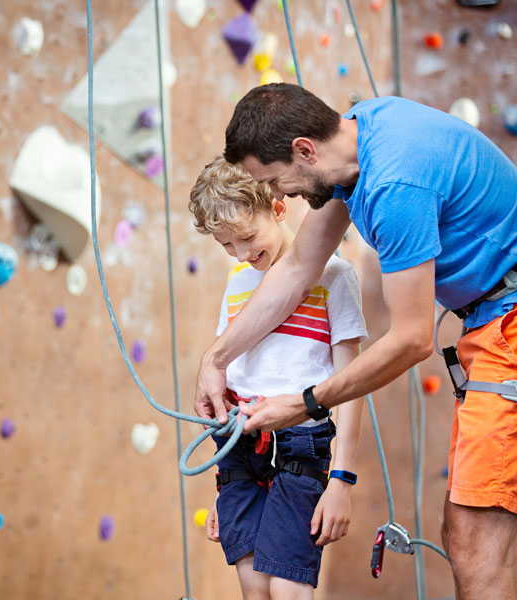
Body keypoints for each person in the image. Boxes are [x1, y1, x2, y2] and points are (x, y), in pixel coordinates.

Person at [194, 83, 517, 600]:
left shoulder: (394, 184)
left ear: (304, 150)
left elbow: (410, 339)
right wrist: (216, 358)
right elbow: (296, 268)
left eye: (276, 181)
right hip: (510, 309)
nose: (283, 196)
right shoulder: (361, 133)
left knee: (473, 543)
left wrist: (307, 403)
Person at [190, 157, 367, 599]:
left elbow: (351, 386)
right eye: (226, 245)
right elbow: (231, 381)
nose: (241, 255)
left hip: (299, 445)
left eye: (247, 237)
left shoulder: (334, 277)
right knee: (255, 588)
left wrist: (341, 480)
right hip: (240, 450)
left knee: (289, 588)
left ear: (279, 208)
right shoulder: (237, 286)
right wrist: (223, 486)